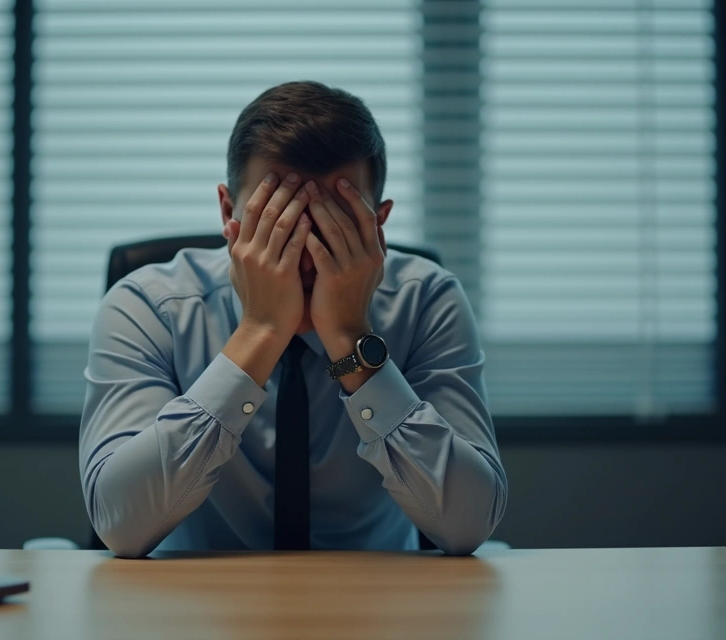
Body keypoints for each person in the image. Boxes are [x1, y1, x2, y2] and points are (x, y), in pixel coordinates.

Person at [79, 81, 507, 558]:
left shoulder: (426, 299)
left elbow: (468, 525)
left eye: (334, 227)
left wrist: (349, 341)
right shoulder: (147, 306)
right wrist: (260, 333)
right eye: (279, 224)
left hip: (379, 601)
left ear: (377, 224)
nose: (306, 257)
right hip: (194, 606)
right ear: (228, 213)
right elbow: (120, 524)